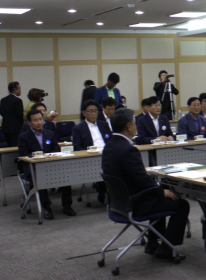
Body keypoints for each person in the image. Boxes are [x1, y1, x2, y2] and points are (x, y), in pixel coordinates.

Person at [102, 108, 189, 260]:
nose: (136, 126)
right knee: (181, 204)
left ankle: (153, 243)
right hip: (135, 204)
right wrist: (162, 192)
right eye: (134, 123)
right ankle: (167, 248)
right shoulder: (128, 150)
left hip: (118, 203)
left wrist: (159, 191)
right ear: (129, 126)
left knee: (158, 194)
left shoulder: (108, 147)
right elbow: (143, 181)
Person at [18, 110, 75, 219]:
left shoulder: (50, 133)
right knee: (41, 177)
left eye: (40, 119)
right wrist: (38, 157)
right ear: (29, 123)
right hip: (33, 167)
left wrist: (47, 157)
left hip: (51, 165)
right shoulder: (23, 136)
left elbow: (56, 150)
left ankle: (67, 205)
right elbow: (24, 155)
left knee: (66, 175)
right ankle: (46, 207)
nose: (39, 122)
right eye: (35, 120)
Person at [73, 100, 112, 204]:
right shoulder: (78, 128)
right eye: (90, 111)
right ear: (84, 113)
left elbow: (111, 140)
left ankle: (106, 190)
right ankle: (102, 189)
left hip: (107, 155)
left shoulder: (104, 124)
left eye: (95, 111)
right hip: (91, 158)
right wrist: (89, 152)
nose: (93, 113)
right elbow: (77, 147)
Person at [0, 81, 23, 147]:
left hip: (6, 127)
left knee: (9, 146)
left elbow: (1, 113)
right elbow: (20, 115)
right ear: (15, 90)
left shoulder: (3, 100)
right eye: (19, 88)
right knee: (16, 146)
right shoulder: (17, 100)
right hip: (15, 128)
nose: (20, 90)